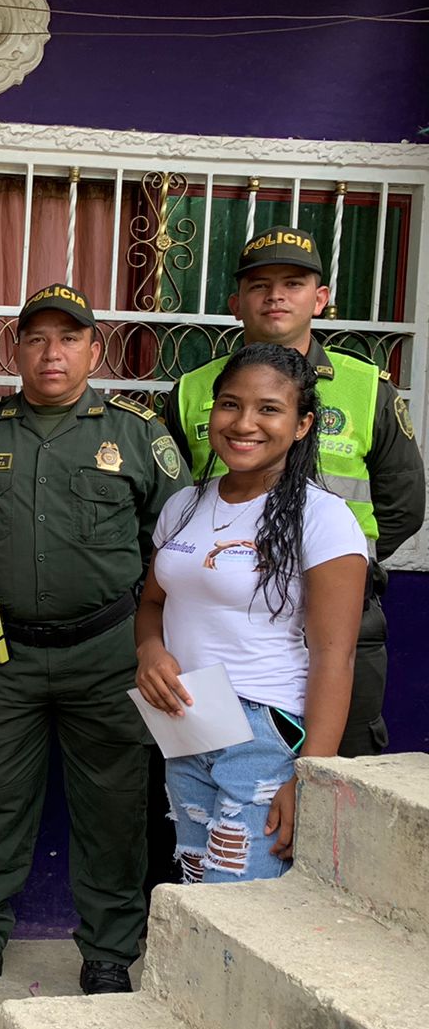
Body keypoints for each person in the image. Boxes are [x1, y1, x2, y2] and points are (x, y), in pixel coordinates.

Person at [0, 282, 185, 1001]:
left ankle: (110, 951)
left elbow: (178, 546)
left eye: (68, 338)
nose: (51, 352)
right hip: (2, 657)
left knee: (116, 808)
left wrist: (165, 643)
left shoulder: (139, 434)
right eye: (36, 338)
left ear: (94, 349)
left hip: (110, 651)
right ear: (16, 349)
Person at [163, 227, 423, 756]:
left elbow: (404, 502)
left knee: (339, 783)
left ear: (320, 299)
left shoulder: (366, 386)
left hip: (342, 619)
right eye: (260, 285)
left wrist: (334, 571)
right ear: (236, 303)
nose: (276, 296)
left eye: (294, 283)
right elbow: (168, 500)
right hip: (223, 625)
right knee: (210, 778)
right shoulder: (194, 389)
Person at [138, 344, 366, 880]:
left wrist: (312, 775)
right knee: (198, 890)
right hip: (187, 721)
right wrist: (149, 650)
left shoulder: (324, 518)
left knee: (241, 901)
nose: (244, 423)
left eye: (269, 409)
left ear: (304, 423)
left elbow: (337, 655)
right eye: (230, 405)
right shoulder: (184, 505)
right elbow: (152, 604)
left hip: (267, 733)